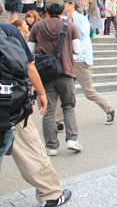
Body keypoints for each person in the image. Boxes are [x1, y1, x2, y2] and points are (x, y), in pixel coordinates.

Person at [0, 22, 72, 207]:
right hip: (9, 106)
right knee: (30, 148)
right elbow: (29, 66)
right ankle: (50, 194)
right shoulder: (7, 31)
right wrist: (40, 92)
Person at [28, 0, 82, 156]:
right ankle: (72, 139)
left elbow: (30, 51)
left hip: (45, 74)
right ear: (61, 9)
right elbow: (77, 50)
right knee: (68, 106)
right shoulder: (70, 26)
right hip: (65, 70)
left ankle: (51, 146)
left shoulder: (37, 27)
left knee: (49, 109)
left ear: (46, 10)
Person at [62, 0, 116, 125]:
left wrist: (75, 55)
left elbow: (84, 38)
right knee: (63, 89)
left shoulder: (80, 18)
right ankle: (59, 120)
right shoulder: (64, 20)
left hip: (80, 59)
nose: (62, 6)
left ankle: (109, 109)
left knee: (88, 91)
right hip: (68, 58)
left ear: (71, 4)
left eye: (64, 3)